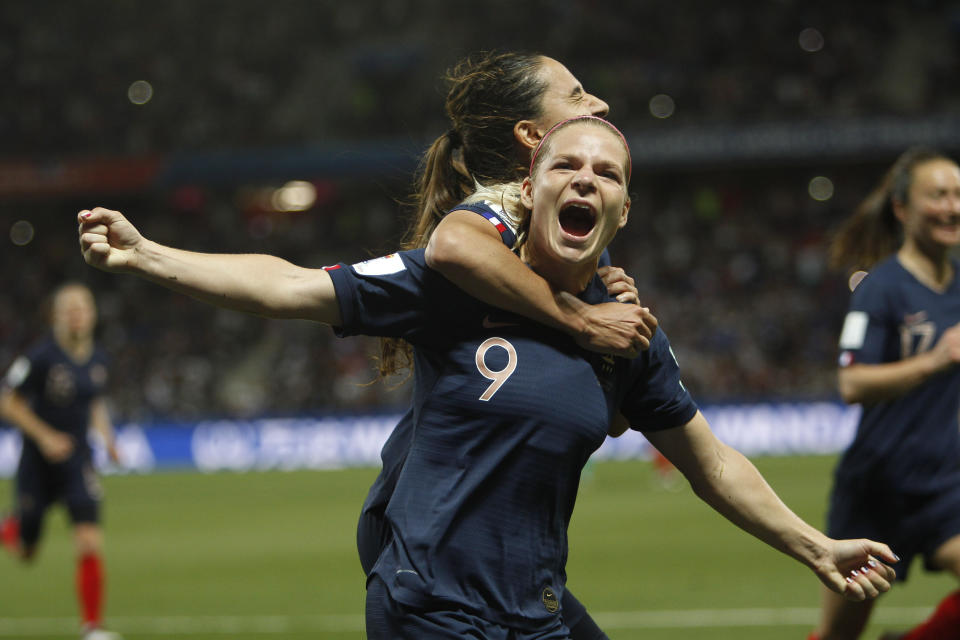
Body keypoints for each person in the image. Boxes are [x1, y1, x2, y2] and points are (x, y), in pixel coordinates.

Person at [78, 115, 898, 639]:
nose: (585, 179)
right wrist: (149, 255)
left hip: (535, 609)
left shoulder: (628, 337)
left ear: (622, 212)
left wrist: (814, 545)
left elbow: (712, 462)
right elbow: (291, 285)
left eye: (606, 174)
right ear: (529, 191)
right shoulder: (452, 287)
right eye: (567, 166)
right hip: (429, 609)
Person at [357, 50, 653, 640]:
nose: (598, 104)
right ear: (532, 137)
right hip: (430, 541)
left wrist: (615, 342)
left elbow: (614, 418)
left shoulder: (571, 224)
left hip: (493, 555)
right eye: (576, 94)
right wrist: (581, 318)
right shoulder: (501, 209)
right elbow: (451, 246)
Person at [810, 148, 960, 640]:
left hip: (942, 487)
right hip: (877, 488)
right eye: (937, 195)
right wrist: (934, 360)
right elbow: (852, 383)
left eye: (958, 194)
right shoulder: (881, 288)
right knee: (839, 636)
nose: (952, 206)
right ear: (902, 209)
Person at [0, 283, 122, 640]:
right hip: (37, 463)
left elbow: (94, 403)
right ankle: (9, 528)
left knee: (88, 540)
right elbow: (9, 402)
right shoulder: (39, 357)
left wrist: (109, 440)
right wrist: (45, 437)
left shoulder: (99, 359)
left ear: (93, 314)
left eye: (83, 307)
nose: (77, 314)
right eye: (69, 308)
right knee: (26, 552)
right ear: (55, 316)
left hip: (78, 461)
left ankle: (92, 627)